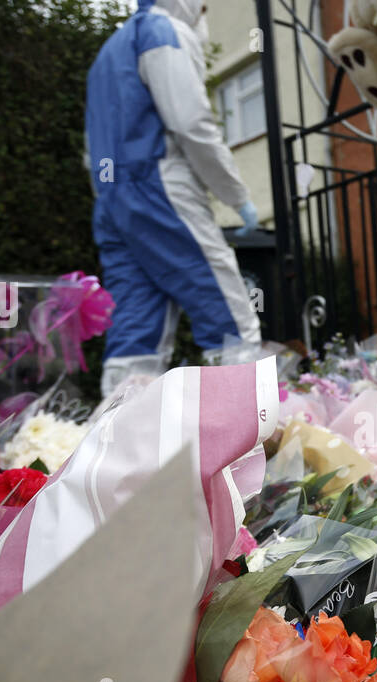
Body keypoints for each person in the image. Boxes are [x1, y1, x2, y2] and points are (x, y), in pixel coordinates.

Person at [86, 0, 261, 395]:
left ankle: (117, 436)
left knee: (135, 323)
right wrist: (236, 195)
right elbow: (190, 122)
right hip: (159, 182)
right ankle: (246, 428)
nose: (203, 12)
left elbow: (90, 144)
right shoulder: (164, 32)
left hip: (112, 198)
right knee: (227, 310)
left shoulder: (109, 51)